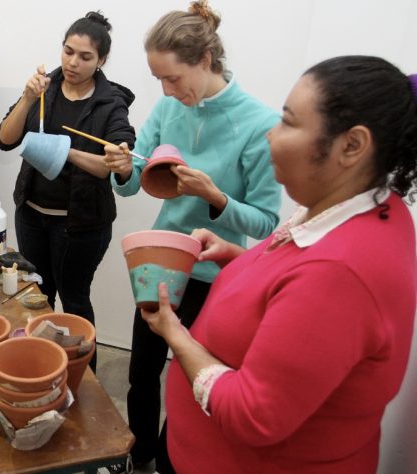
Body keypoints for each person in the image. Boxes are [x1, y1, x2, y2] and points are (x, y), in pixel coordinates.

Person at [141, 55, 417, 473]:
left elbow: (254, 415)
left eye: (288, 122)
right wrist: (238, 254)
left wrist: (175, 335)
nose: (272, 133)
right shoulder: (362, 208)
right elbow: (294, 271)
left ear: (352, 146)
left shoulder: (341, 275)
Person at [103, 1, 282, 469]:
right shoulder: (167, 106)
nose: (165, 90)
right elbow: (135, 174)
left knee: (188, 383)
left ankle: (167, 459)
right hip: (158, 263)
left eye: (173, 78)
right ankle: (136, 455)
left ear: (204, 60)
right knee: (141, 372)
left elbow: (265, 223)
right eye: (158, 79)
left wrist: (216, 198)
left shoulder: (258, 124)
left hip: (214, 276)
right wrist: (122, 169)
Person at [0, 11, 136, 371]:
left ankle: (82, 381)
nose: (73, 62)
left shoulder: (110, 103)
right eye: (68, 51)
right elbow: (5, 139)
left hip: (80, 225)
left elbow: (114, 163)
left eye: (85, 56)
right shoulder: (46, 88)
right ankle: (41, 369)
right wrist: (27, 99)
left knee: (74, 301)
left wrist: (63, 150)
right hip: (31, 215)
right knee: (37, 298)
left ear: (101, 60)